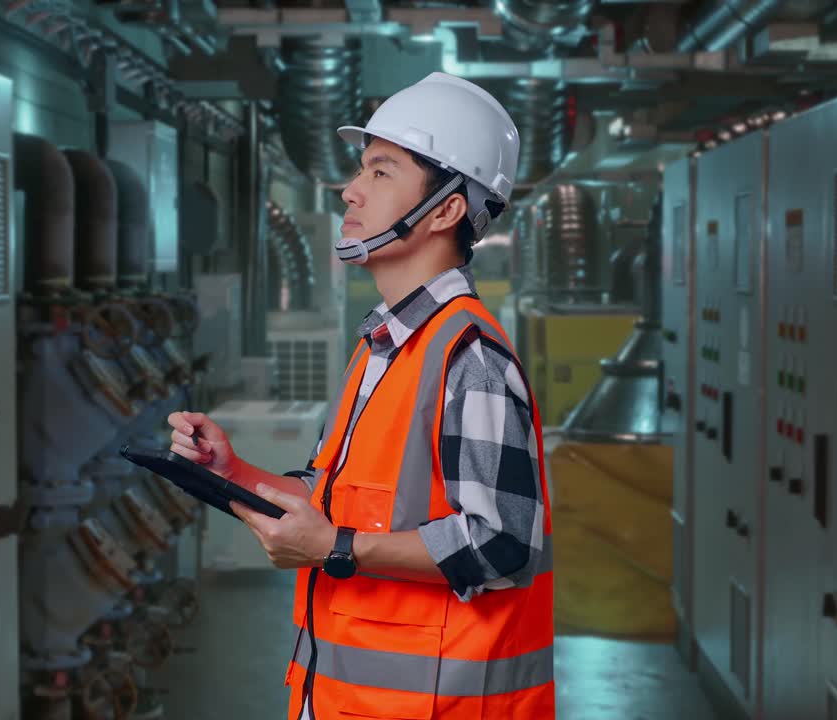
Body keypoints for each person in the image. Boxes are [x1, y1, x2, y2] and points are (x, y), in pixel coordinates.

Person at [167, 72, 554, 720]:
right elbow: (337, 505)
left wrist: (336, 549)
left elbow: (501, 544)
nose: (350, 189)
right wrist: (233, 474)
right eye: (361, 169)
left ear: (447, 210)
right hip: (350, 701)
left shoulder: (470, 359)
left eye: (381, 172)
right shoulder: (384, 345)